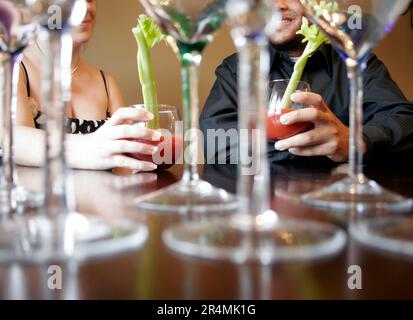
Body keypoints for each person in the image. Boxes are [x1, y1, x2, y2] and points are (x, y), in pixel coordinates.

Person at [200, 0, 413, 166]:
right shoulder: (236, 69)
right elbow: (217, 141)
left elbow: (406, 125)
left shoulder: (356, 62)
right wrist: (322, 152)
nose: (277, 5)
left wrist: (354, 141)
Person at [15, 0, 160, 171]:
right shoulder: (14, 67)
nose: (86, 7)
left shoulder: (108, 83)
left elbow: (123, 169)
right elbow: (15, 141)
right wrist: (87, 146)